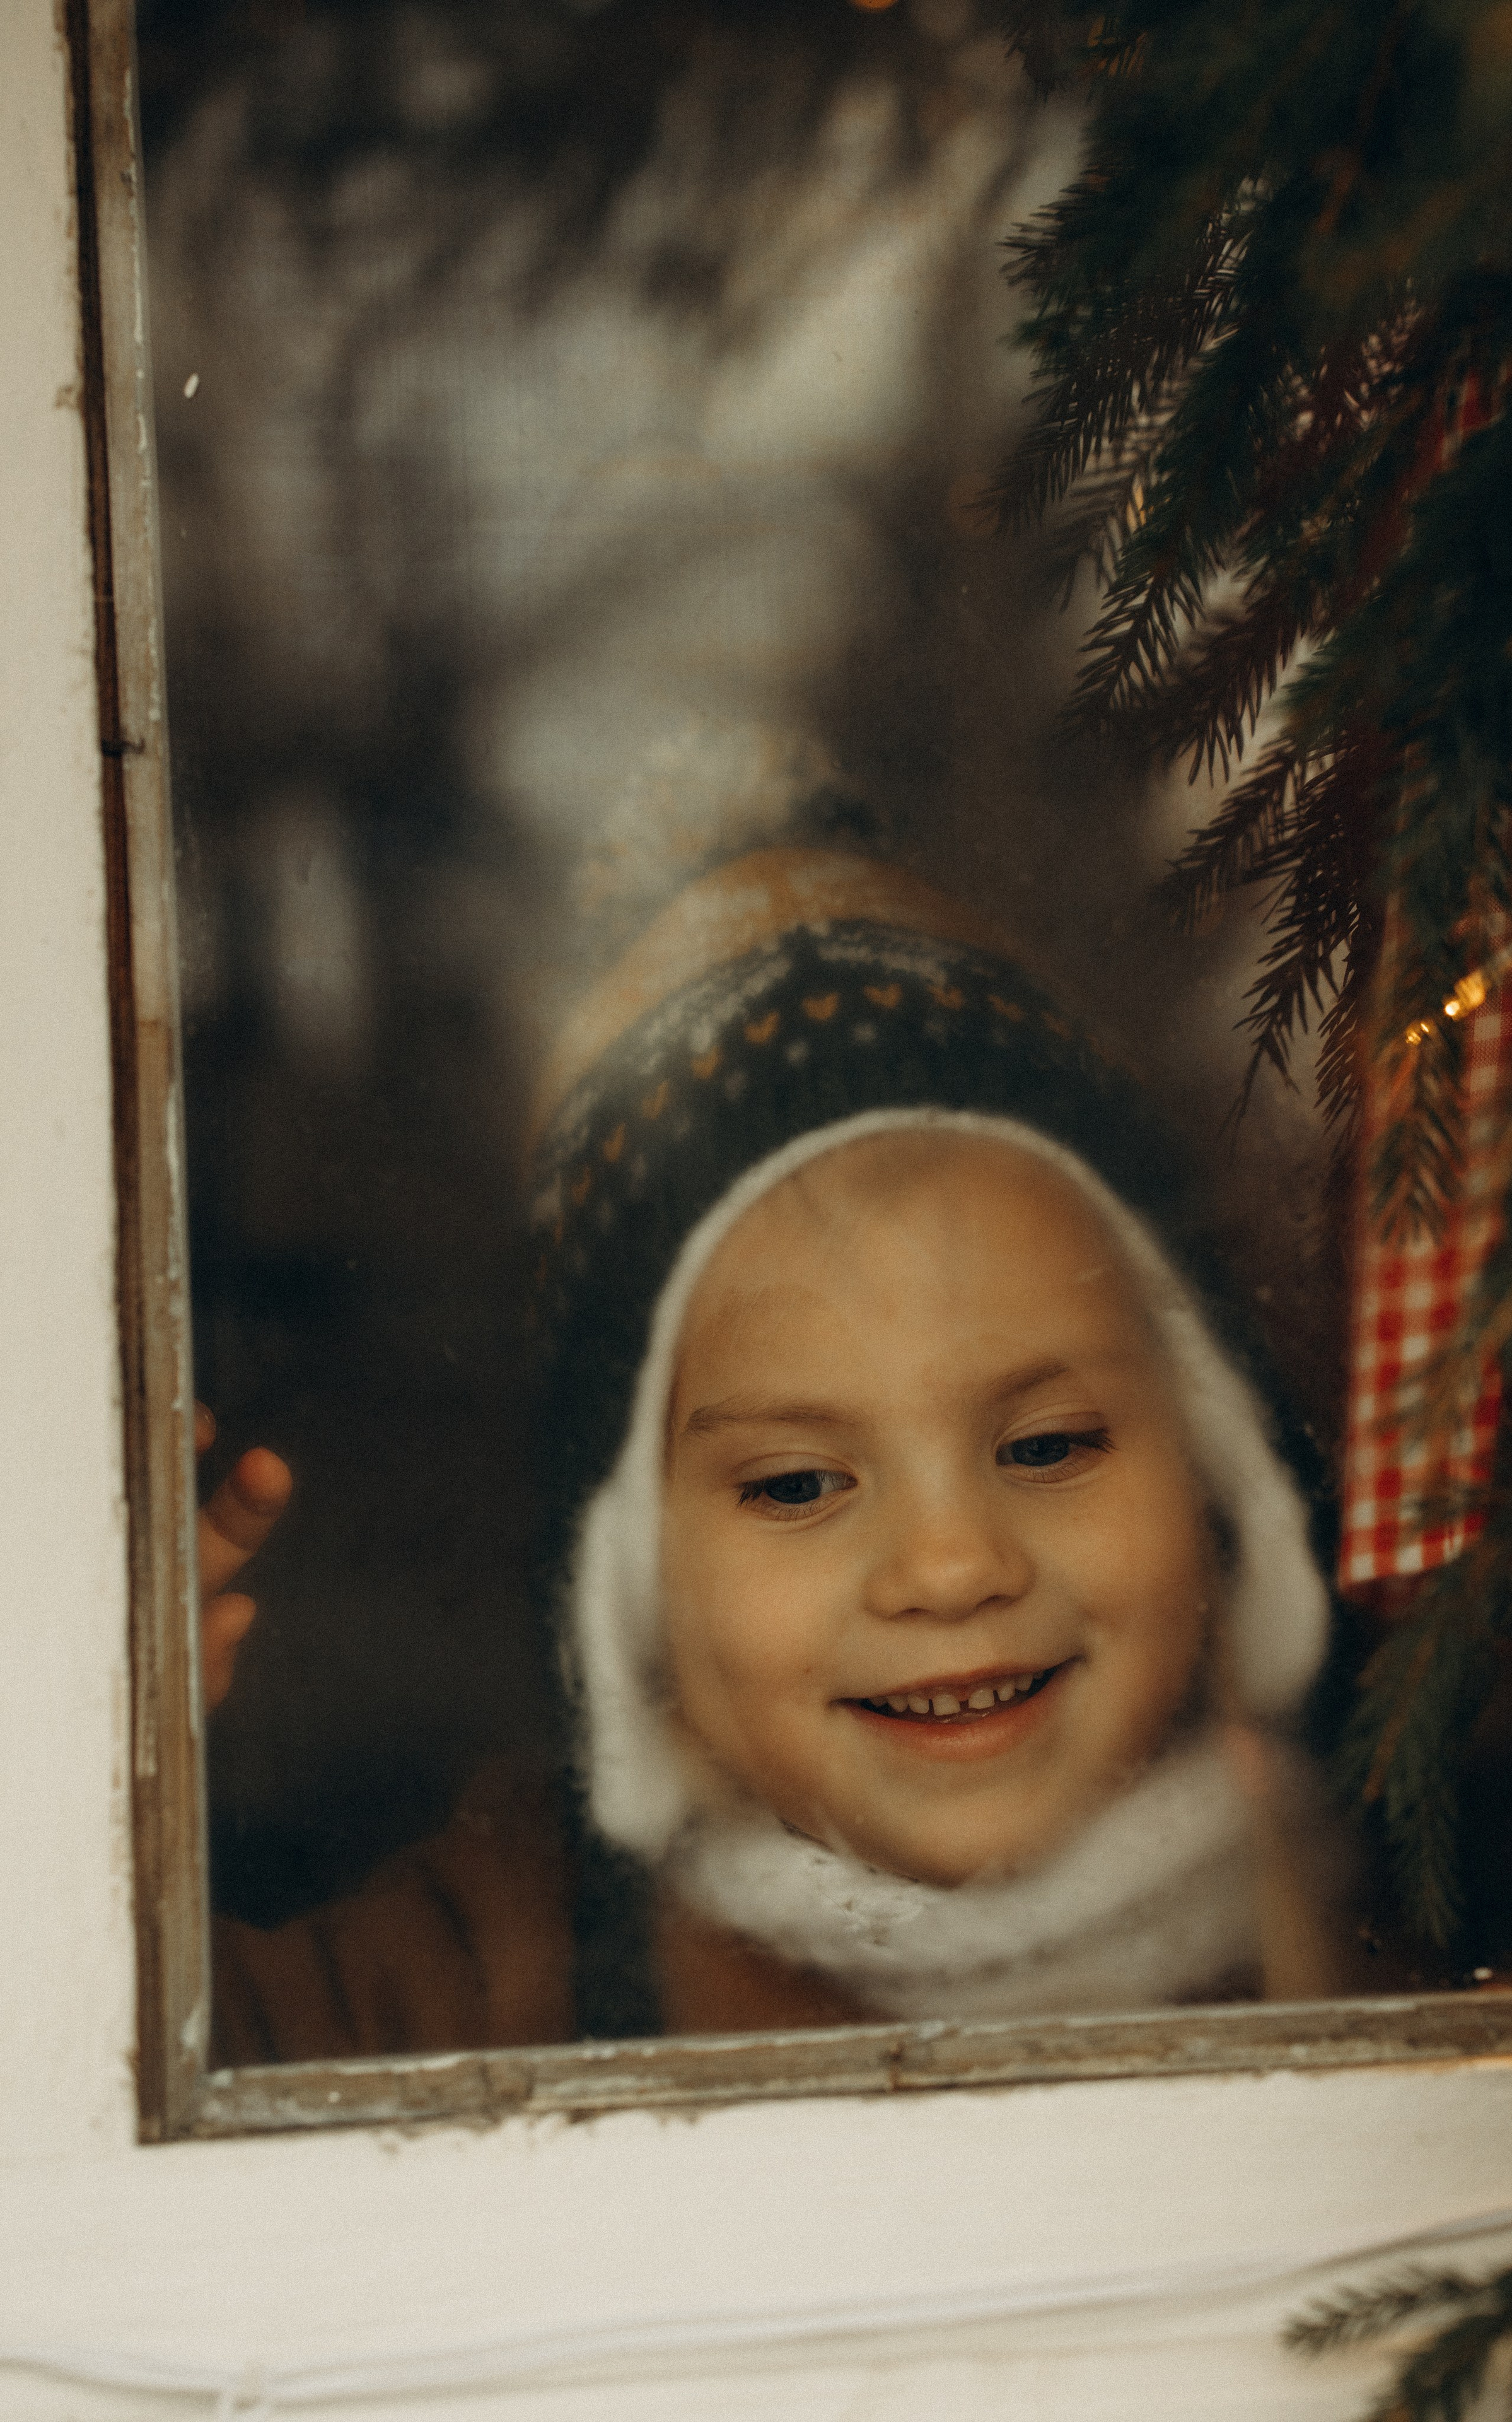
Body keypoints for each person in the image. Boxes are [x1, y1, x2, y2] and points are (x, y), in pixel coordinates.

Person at [204, 849, 1347, 2061]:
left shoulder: (1378, 1924)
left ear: (1215, 1473)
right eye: (798, 1484)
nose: (954, 1566)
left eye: (1050, 1446)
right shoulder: (494, 1970)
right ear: (633, 1589)